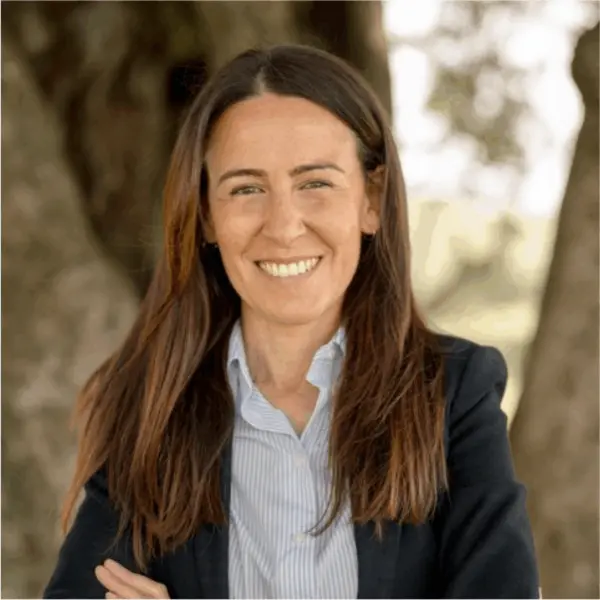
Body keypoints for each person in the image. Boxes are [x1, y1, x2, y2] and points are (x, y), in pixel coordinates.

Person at [43, 44, 539, 599]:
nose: (282, 227)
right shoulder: (151, 406)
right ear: (205, 214)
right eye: (246, 189)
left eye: (315, 183)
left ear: (371, 200)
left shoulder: (453, 392)